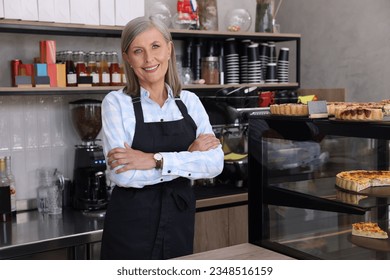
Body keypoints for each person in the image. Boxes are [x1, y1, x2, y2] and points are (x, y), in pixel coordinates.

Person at [100, 16, 224, 260]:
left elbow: (214, 164)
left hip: (179, 222)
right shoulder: (116, 103)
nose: (149, 59)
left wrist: (155, 160)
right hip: (130, 228)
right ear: (127, 57)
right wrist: (189, 157)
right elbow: (124, 174)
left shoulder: (189, 102)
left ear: (169, 49)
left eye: (155, 46)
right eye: (138, 51)